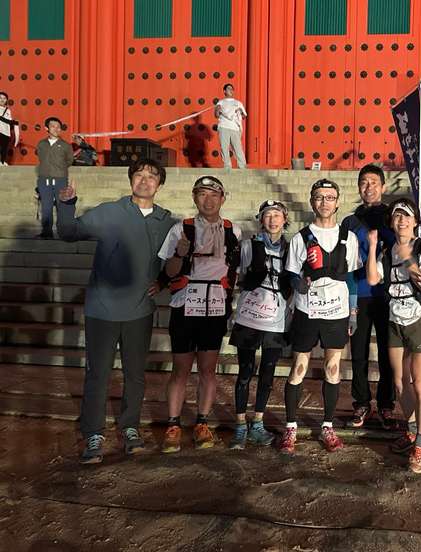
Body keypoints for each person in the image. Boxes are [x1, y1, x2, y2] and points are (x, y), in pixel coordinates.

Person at [57, 158, 176, 464]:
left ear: (160, 184)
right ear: (131, 180)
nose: (145, 180)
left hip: (140, 310)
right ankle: (93, 433)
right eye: (139, 175)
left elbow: (176, 259)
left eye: (152, 176)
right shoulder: (110, 212)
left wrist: (162, 281)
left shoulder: (167, 221)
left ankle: (130, 427)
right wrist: (66, 205)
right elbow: (69, 232)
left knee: (135, 374)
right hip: (102, 308)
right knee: (98, 374)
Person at [158, 176, 242, 453]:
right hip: (185, 304)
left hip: (215, 306)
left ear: (222, 198)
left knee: (208, 369)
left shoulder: (233, 230)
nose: (208, 200)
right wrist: (179, 254)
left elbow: (235, 267)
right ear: (194, 198)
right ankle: (173, 424)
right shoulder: (181, 229)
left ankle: (202, 422)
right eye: (202, 194)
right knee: (180, 368)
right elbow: (169, 271)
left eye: (214, 194)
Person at [278, 179, 361, 455]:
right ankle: (290, 426)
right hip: (307, 310)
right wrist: (297, 284)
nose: (325, 202)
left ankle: (327, 425)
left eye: (330, 197)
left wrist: (353, 312)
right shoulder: (300, 237)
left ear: (338, 202)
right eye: (319, 197)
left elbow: (351, 278)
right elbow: (291, 273)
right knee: (299, 367)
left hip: (336, 311)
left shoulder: (349, 237)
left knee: (333, 368)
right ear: (312, 201)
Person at [365, 198, 421, 474]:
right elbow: (373, 279)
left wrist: (408, 255)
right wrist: (373, 247)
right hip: (394, 319)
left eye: (407, 216)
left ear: (415, 221)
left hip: (419, 318)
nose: (402, 221)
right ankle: (411, 429)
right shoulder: (387, 251)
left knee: (420, 382)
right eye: (397, 216)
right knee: (399, 381)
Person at [228, 199, 292, 449]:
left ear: (285, 220)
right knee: (245, 371)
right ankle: (240, 425)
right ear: (261, 219)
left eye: (277, 215)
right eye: (268, 215)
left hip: (276, 318)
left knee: (268, 372)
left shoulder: (291, 248)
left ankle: (258, 422)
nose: (273, 220)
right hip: (250, 315)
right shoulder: (248, 245)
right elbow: (237, 276)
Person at [341, 164, 397, 429]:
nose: (369, 187)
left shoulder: (394, 216)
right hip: (360, 293)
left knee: (388, 352)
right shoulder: (350, 222)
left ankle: (386, 404)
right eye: (364, 182)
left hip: (387, 294)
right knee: (359, 351)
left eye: (374, 182)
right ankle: (361, 402)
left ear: (383, 186)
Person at [36, 116, 73, 238]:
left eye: (58, 127)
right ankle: (47, 232)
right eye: (53, 126)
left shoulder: (66, 145)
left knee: (61, 206)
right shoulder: (41, 144)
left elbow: (69, 160)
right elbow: (40, 157)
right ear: (46, 128)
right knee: (46, 207)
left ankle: (63, 231)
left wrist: (59, 168)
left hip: (60, 179)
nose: (56, 129)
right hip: (44, 179)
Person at [215, 83, 246, 169]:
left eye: (232, 89)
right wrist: (217, 110)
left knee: (238, 148)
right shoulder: (220, 102)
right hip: (223, 127)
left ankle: (242, 167)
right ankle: (227, 167)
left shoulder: (238, 103)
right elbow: (216, 115)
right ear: (224, 91)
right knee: (224, 148)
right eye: (229, 89)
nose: (231, 90)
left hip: (234, 128)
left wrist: (241, 111)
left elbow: (244, 116)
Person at [0, 91, 20, 166]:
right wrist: (11, 121)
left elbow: (9, 121)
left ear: (6, 100)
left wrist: (14, 122)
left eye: (4, 98)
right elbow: (3, 119)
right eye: (0, 98)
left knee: (4, 148)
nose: (2, 100)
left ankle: (2, 161)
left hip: (6, 132)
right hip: (0, 130)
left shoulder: (8, 110)